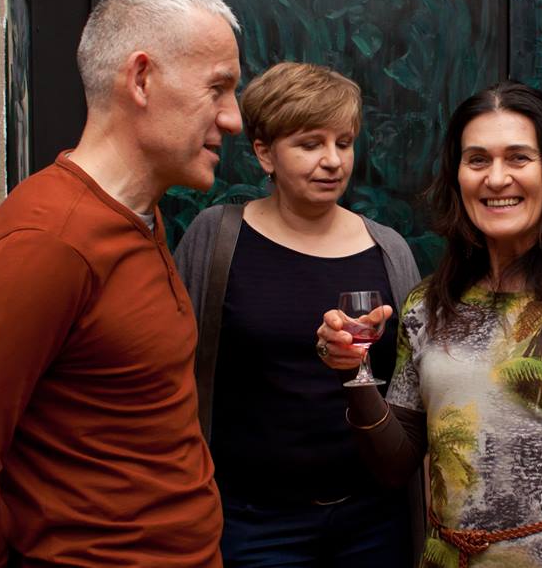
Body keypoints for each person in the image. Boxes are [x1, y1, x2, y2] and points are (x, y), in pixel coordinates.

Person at [0, 0, 242, 567]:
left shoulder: (139, 216)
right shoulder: (47, 242)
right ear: (141, 79)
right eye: (218, 88)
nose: (232, 118)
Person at [317, 81, 542, 567]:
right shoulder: (427, 306)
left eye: (519, 158)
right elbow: (395, 466)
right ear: (457, 176)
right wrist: (352, 371)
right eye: (477, 160)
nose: (496, 179)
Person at [173, 61, 424, 567]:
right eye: (310, 144)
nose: (333, 161)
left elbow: (413, 394)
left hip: (372, 521)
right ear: (265, 153)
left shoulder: (389, 251)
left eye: (344, 143)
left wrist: (362, 359)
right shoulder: (217, 238)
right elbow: (170, 370)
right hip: (253, 523)